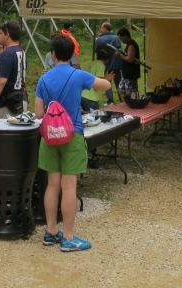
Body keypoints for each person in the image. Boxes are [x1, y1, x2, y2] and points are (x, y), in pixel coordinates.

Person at [36, 33, 109, 252]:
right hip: (72, 134)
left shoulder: (44, 78)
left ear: (53, 54)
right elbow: (104, 85)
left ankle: (51, 232)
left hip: (49, 136)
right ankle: (68, 237)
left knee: (52, 185)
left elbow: (39, 112)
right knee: (69, 186)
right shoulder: (78, 75)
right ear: (72, 54)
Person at [0, 20, 27, 118]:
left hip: (5, 105)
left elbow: (0, 82)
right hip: (17, 100)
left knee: (3, 132)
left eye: (0, 33)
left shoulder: (6, 55)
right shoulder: (21, 51)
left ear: (7, 35)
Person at [116, 28, 141, 93]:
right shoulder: (129, 44)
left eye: (121, 38)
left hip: (131, 74)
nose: (121, 40)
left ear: (125, 36)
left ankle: (132, 102)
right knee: (121, 90)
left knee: (131, 94)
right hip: (126, 75)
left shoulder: (131, 44)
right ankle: (125, 102)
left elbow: (130, 59)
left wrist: (121, 56)